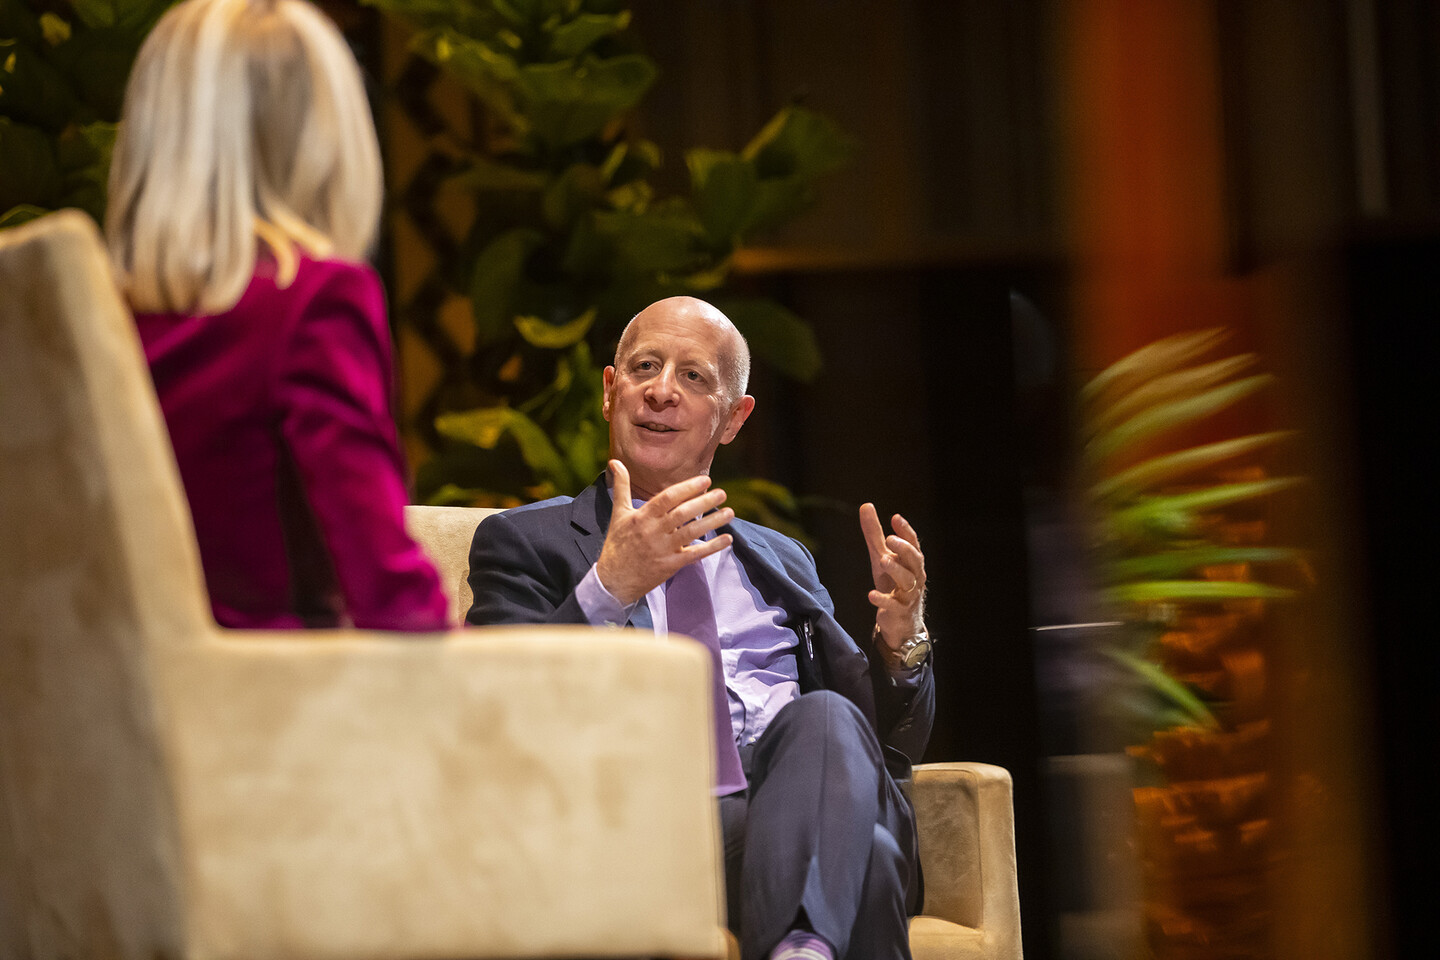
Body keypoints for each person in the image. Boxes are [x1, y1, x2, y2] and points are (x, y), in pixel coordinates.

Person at [467, 296, 935, 960]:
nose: (661, 392)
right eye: (645, 367)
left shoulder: (781, 561)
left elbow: (885, 746)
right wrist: (608, 588)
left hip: (784, 814)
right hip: (633, 834)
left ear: (734, 418)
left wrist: (901, 640)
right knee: (875, 859)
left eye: (693, 377)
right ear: (610, 391)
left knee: (826, 716)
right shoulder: (524, 542)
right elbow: (483, 715)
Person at [105, 0, 448, 631]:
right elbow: (386, 591)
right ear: (324, 137)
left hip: (100, 702)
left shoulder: (93, 317)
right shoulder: (314, 299)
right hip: (275, 700)